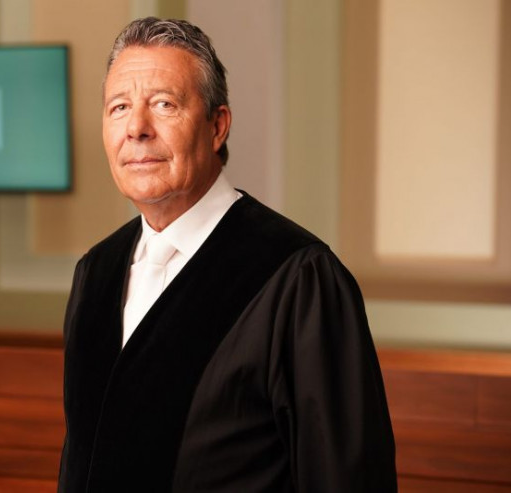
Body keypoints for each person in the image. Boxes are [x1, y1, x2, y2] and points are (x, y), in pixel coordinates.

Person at [58, 17, 396, 492]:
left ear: (217, 126)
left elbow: (348, 479)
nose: (136, 128)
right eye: (119, 107)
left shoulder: (299, 278)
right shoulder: (96, 272)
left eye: (164, 104)